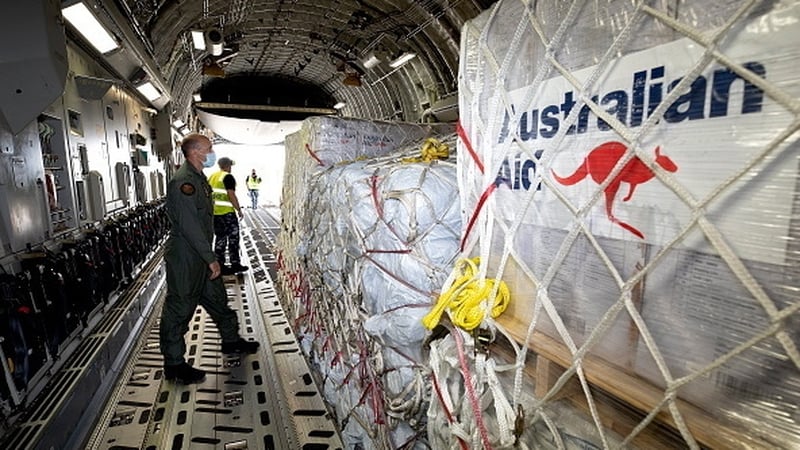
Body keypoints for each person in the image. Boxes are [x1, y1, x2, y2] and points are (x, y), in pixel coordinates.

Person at [161, 134, 259, 384]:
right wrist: (211, 258)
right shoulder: (184, 183)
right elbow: (190, 226)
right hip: (187, 257)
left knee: (218, 300)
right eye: (209, 148)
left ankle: (231, 341)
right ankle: (174, 364)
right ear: (196, 152)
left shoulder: (198, 178)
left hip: (202, 253)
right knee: (180, 309)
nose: (212, 152)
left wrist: (209, 256)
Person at [208, 156, 248, 274]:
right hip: (227, 213)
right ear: (228, 166)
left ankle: (220, 265)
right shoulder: (227, 177)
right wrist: (238, 209)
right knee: (233, 239)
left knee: (220, 239)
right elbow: (231, 194)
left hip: (215, 214)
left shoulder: (212, 177)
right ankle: (235, 264)